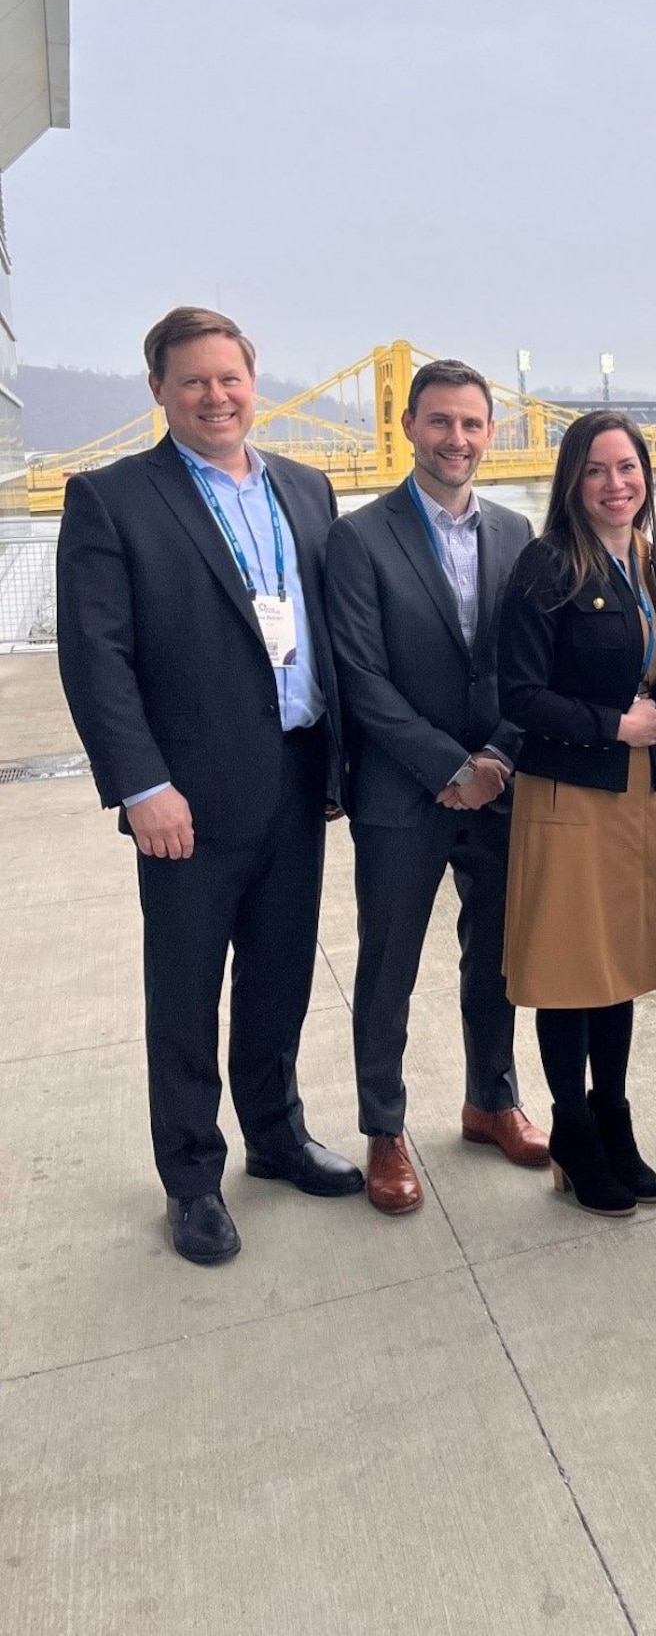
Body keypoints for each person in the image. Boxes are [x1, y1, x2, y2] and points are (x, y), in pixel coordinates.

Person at [55, 307, 362, 1266]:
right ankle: (192, 1177)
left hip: (301, 774)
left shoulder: (308, 490)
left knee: (281, 975)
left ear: (252, 381)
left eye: (230, 378)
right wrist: (140, 784)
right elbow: (95, 656)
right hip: (185, 796)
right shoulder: (112, 499)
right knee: (185, 993)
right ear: (159, 391)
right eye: (193, 381)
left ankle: (274, 1136)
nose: (216, 396)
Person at [325, 359, 549, 1217]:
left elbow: (526, 665)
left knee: (495, 956)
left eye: (472, 424)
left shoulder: (516, 530)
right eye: (440, 422)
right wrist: (447, 768)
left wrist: (495, 756)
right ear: (410, 426)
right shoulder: (358, 537)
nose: (457, 439)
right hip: (401, 792)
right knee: (389, 964)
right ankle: (385, 1128)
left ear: (489, 433)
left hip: (497, 786)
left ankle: (491, 1100)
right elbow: (360, 674)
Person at [495, 411, 656, 1216]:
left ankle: (614, 1120)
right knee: (571, 974)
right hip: (568, 796)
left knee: (619, 973)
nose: (616, 484)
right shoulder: (547, 568)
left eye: (628, 467)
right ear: (572, 483)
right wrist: (611, 726)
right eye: (597, 471)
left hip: (638, 795)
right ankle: (572, 1128)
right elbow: (519, 695)